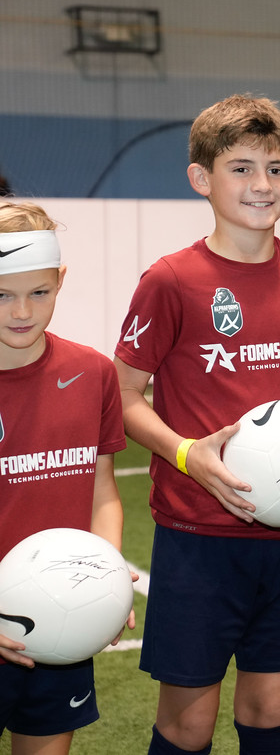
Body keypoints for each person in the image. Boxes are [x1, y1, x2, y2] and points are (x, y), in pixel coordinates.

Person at [114, 95, 280, 755]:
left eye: (275, 169)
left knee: (270, 707)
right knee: (189, 722)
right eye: (240, 168)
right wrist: (186, 454)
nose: (261, 184)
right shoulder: (172, 280)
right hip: (199, 535)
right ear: (200, 178)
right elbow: (123, 395)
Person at [0, 203, 132, 755]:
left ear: (61, 280)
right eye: (2, 294)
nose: (21, 311)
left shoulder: (93, 372)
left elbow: (103, 493)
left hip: (60, 621)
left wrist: (107, 581)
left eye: (39, 292)